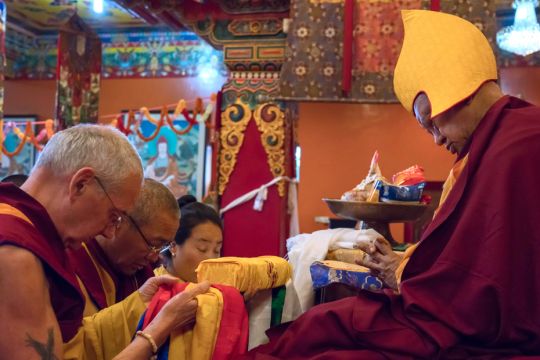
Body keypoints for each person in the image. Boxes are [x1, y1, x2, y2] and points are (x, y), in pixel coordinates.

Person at [244, 10, 540, 358]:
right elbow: (463, 259)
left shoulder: (522, 145)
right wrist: (403, 270)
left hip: (471, 328)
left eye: (432, 123)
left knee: (327, 340)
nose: (437, 140)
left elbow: (490, 280)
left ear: (457, 90)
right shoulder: (486, 151)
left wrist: (408, 280)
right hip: (450, 312)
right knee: (320, 324)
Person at [0, 124, 209, 360]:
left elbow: (74, 343)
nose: (110, 232)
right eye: (114, 216)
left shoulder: (26, 234)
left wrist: (139, 303)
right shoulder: (16, 254)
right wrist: (155, 334)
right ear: (81, 184)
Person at [68, 178, 180, 316]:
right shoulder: (70, 261)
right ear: (119, 221)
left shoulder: (142, 274)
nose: (154, 258)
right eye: (153, 244)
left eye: (163, 247)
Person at [156, 194, 223, 282]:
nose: (212, 259)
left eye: (217, 251)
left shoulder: (217, 290)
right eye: (202, 249)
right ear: (173, 246)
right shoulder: (149, 289)